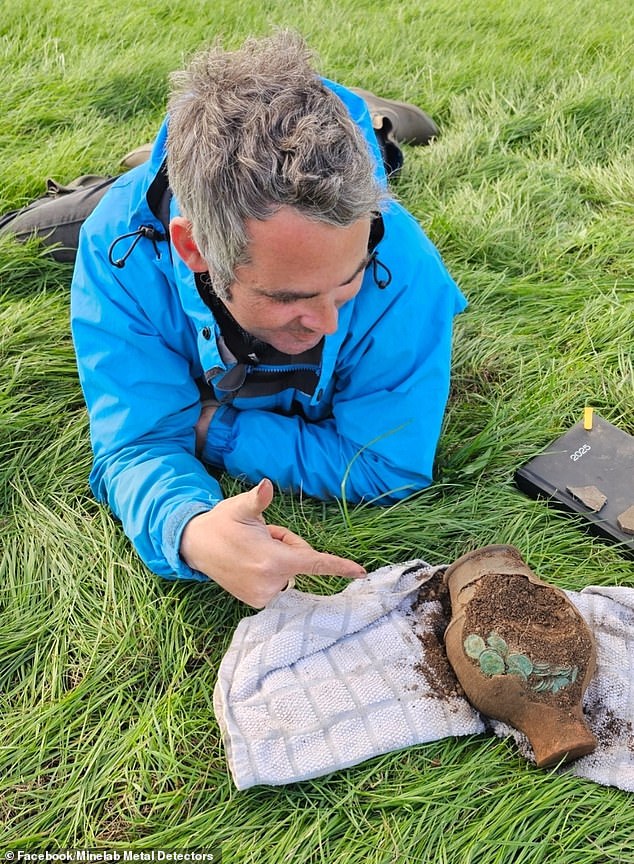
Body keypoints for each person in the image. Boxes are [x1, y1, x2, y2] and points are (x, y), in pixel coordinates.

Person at [66, 31, 467, 608]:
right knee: (31, 232)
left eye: (350, 277)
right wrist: (191, 529)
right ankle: (156, 166)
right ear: (193, 250)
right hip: (146, 209)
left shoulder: (404, 263)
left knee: (380, 159)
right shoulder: (116, 246)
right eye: (289, 297)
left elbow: (385, 463)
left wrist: (215, 431)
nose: (330, 322)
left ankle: (376, 127)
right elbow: (136, 443)